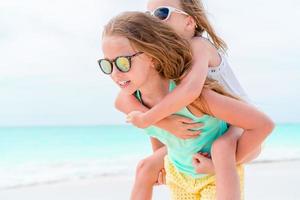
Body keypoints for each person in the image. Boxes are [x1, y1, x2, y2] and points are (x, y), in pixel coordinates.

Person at [99, 11, 274, 199]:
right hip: (180, 176)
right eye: (107, 65)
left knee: (221, 148)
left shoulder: (193, 98)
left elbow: (263, 124)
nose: (115, 74)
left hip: (213, 177)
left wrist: (223, 164)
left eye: (123, 63)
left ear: (152, 58)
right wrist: (162, 127)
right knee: (145, 167)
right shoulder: (135, 99)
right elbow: (146, 125)